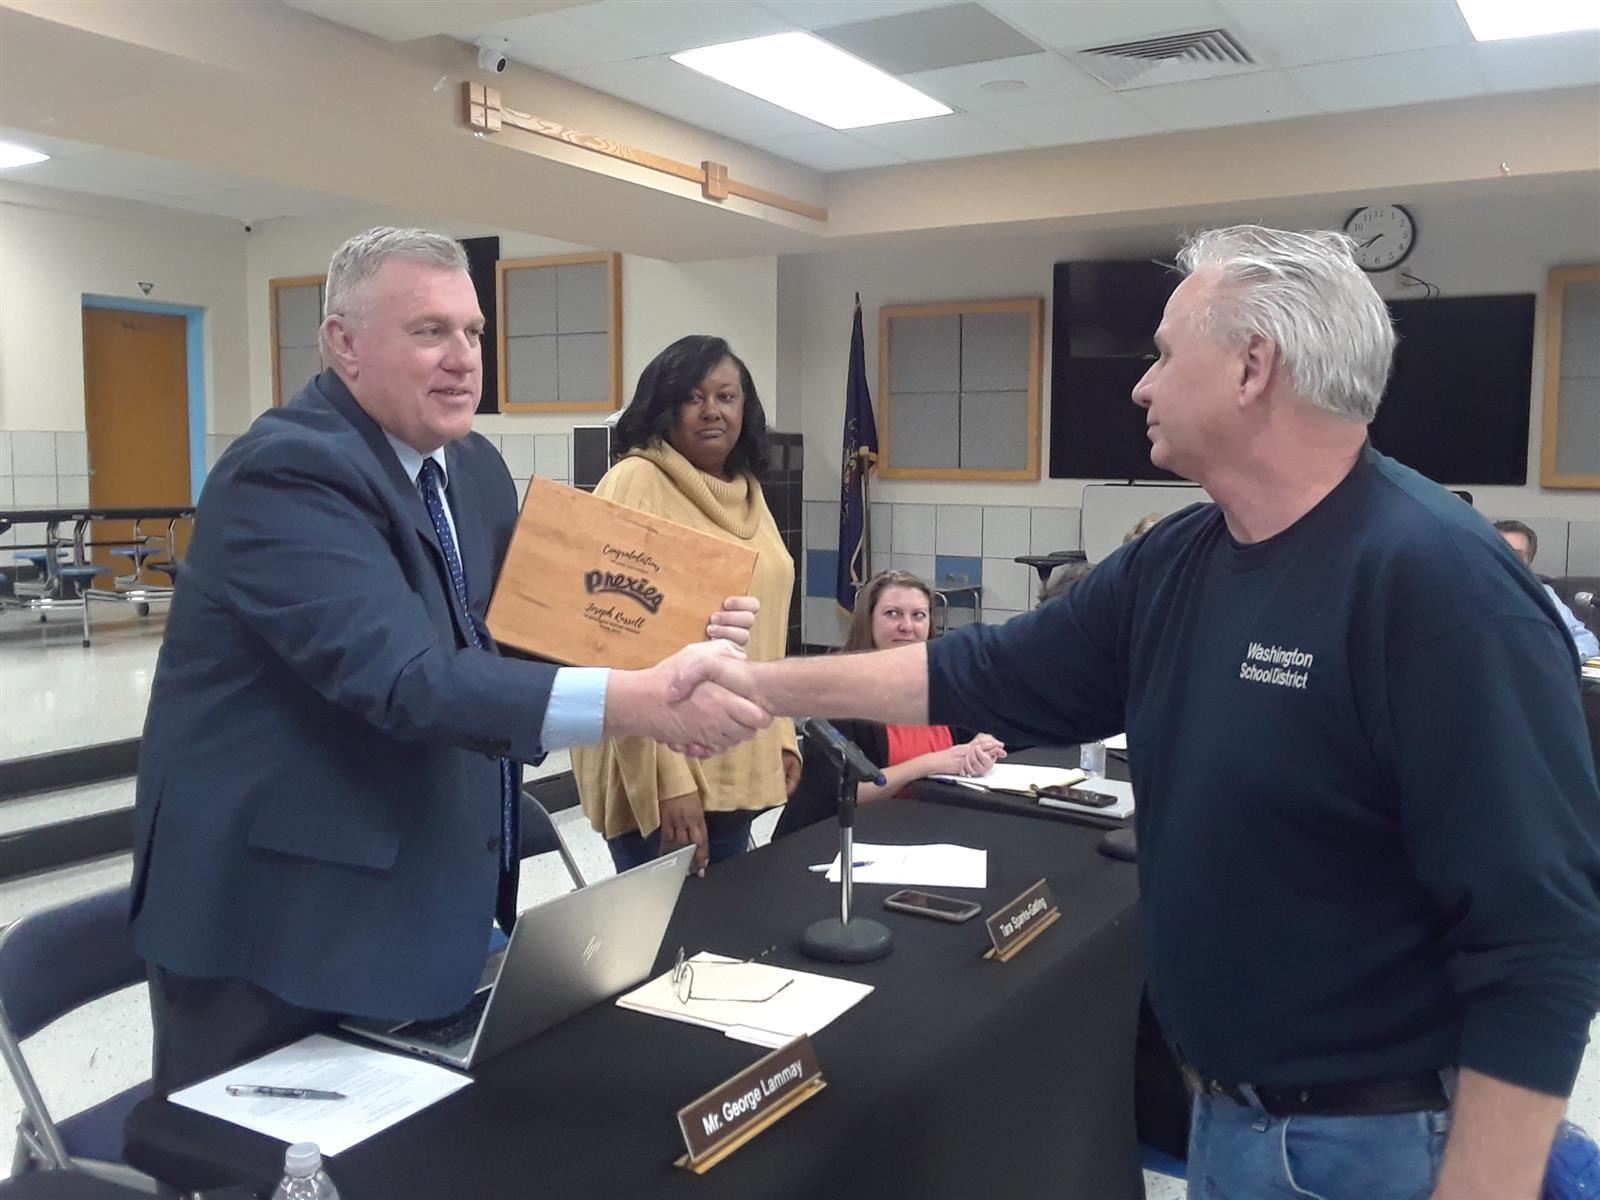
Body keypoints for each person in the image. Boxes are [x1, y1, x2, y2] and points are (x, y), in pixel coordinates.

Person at [673, 226, 1600, 1200]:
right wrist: (761, 688)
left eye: (1162, 353)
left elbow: (1536, 936)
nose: (1139, 385)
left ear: (1252, 367)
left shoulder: (1437, 583)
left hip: (1374, 1142)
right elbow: (983, 670)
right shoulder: (1182, 558)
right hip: (1228, 1113)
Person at [130, 228, 769, 1093]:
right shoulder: (285, 473)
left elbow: (527, 630)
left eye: (473, 333)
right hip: (280, 930)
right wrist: (642, 700)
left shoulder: (468, 467)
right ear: (343, 344)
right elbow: (407, 679)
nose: (463, 359)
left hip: (429, 902)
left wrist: (680, 636)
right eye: (429, 331)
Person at [572, 335, 799, 875]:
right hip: (662, 772)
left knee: (722, 941)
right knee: (673, 952)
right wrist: (666, 785)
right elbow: (612, 644)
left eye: (727, 396)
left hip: (735, 754)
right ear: (664, 406)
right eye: (694, 397)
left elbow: (768, 627)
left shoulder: (747, 490)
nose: (712, 411)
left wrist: (782, 732)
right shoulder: (636, 481)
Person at [772, 570, 1004, 839]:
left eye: (918, 615)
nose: (907, 626)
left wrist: (982, 744)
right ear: (867, 620)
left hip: (922, 829)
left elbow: (975, 733)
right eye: (893, 614)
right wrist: (930, 764)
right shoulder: (837, 691)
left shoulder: (942, 681)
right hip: (835, 840)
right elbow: (845, 791)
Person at [1495, 519, 1600, 660]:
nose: (1506, 559)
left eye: (1515, 555)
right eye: (1498, 550)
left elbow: (1585, 640)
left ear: (1529, 562)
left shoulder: (1544, 594)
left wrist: (1557, 659)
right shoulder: (1464, 591)